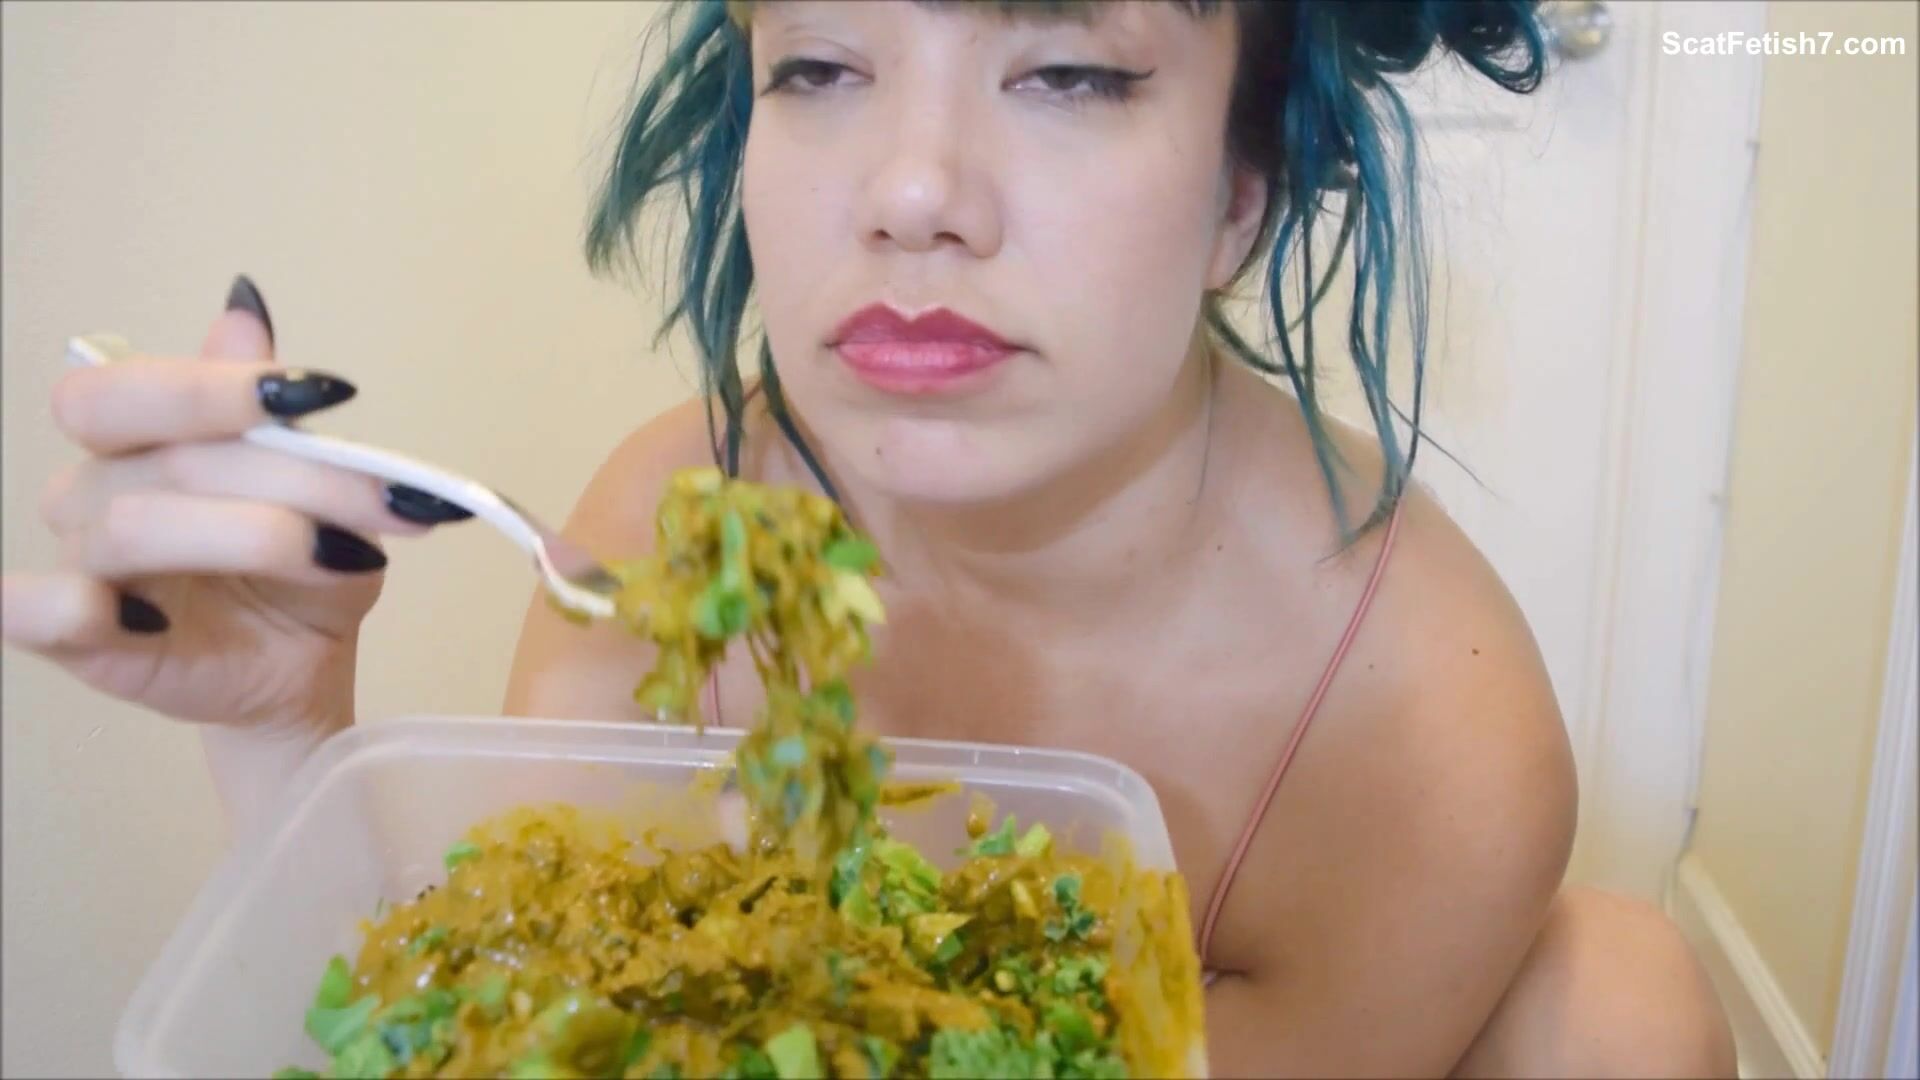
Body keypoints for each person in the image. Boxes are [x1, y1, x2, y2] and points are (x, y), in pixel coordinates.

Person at [2, 1, 1735, 1075]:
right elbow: (492, 1029)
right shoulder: (668, 546)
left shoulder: (1427, 736)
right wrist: (285, 744)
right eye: (820, 64)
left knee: (1620, 1009)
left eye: (1069, 70)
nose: (911, 191)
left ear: (1238, 193)